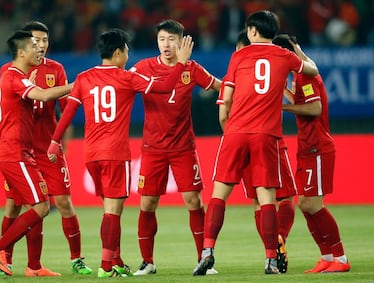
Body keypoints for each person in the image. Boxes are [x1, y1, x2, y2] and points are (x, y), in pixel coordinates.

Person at [47, 28, 194, 278]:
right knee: (113, 212)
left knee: (108, 209)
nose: (128, 54)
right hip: (115, 153)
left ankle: (115, 260)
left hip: (91, 154)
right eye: (126, 50)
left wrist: (54, 142)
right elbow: (167, 86)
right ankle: (106, 266)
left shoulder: (83, 77)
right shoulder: (126, 78)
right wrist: (181, 63)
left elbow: (68, 112)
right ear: (117, 52)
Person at [192, 10, 319, 276]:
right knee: (267, 200)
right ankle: (271, 260)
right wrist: (297, 52)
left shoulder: (238, 56)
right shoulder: (285, 57)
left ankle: (207, 251)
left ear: (251, 31)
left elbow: (226, 97)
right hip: (266, 135)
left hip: (236, 132)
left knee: (218, 196)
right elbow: (312, 70)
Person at [0, 21, 91, 277]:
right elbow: (40, 97)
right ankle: (3, 256)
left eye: (44, 41)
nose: (41, 47)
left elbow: (66, 107)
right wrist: (79, 84)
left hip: (44, 148)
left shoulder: (55, 68)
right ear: (23, 48)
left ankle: (51, 263)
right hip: (19, 152)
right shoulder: (11, 72)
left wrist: (60, 141)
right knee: (21, 206)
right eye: (36, 42)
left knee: (59, 203)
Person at [129, 19, 221, 276]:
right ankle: (147, 261)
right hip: (153, 147)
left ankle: (203, 259)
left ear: (182, 42)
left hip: (183, 147)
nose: (166, 45)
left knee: (193, 200)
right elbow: (125, 84)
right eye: (162, 39)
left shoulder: (192, 69)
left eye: (171, 39)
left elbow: (219, 87)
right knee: (147, 203)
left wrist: (247, 91)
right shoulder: (144, 67)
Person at [216, 29, 296, 274]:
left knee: (257, 204)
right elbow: (294, 103)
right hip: (269, 141)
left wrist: (234, 139)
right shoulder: (272, 69)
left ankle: (270, 251)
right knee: (284, 201)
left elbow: (222, 116)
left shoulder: (231, 79)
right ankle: (276, 245)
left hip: (238, 142)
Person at [274, 34, 350, 273]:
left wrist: (283, 106)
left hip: (318, 147)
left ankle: (340, 257)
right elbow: (301, 99)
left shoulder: (306, 74)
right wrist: (283, 92)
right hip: (307, 147)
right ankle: (327, 256)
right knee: (305, 205)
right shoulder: (300, 74)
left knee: (313, 204)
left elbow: (314, 108)